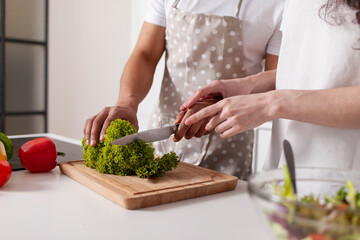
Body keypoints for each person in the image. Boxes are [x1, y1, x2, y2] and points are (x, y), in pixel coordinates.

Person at [83, 0, 284, 179]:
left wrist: (217, 105)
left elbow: (277, 82)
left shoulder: (278, 5)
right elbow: (145, 55)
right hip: (165, 138)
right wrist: (126, 103)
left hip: (228, 152)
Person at [181, 0, 360, 170]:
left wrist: (271, 103)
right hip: (286, 168)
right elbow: (314, 70)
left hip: (342, 177)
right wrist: (251, 85)